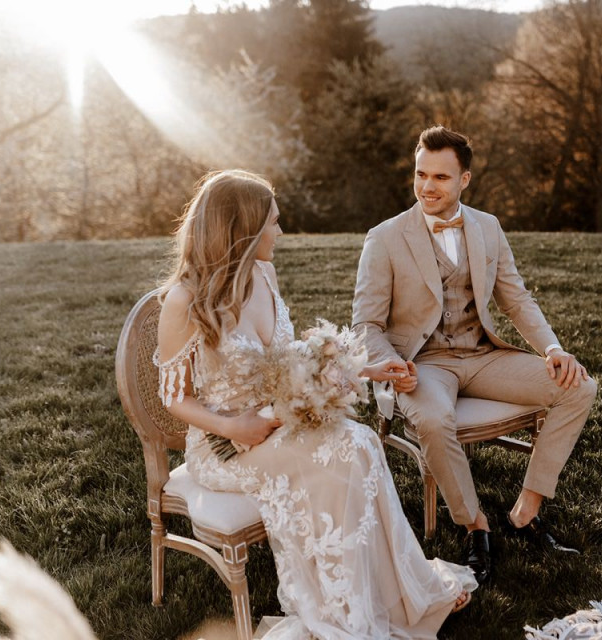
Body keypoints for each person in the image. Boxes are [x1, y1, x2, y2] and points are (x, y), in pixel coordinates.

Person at [155, 169, 476, 639]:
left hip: (277, 422)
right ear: (241, 230)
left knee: (361, 442)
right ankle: (344, 610)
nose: (280, 233)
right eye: (273, 223)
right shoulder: (184, 302)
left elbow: (288, 360)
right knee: (341, 452)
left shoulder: (262, 274)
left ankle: (398, 592)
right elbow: (173, 397)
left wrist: (362, 369)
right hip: (226, 445)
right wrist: (233, 427)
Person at [352, 126, 598, 584]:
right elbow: (366, 325)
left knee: (579, 386)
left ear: (464, 180)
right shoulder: (384, 238)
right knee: (431, 419)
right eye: (421, 174)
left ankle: (526, 510)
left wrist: (553, 348)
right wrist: (391, 365)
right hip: (423, 364)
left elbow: (516, 298)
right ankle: (474, 526)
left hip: (483, 355)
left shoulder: (487, 226)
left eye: (441, 178)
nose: (427, 186)